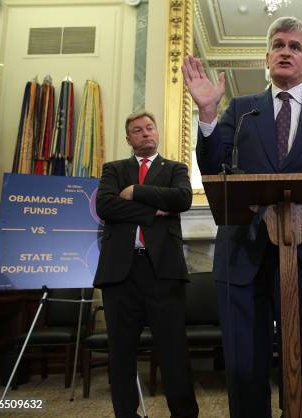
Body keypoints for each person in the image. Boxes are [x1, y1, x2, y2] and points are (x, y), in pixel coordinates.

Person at [182, 16, 302, 418]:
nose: (285, 51)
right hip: (245, 255)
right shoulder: (240, 111)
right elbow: (214, 169)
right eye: (278, 45)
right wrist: (208, 114)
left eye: (295, 46)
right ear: (267, 57)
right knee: (244, 361)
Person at [93, 111, 199, 418]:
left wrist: (136, 192)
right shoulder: (113, 169)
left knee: (173, 351)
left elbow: (181, 199)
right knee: (121, 352)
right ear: (129, 139)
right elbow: (105, 206)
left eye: (149, 128)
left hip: (163, 272)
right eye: (137, 130)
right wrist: (153, 213)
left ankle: (184, 414)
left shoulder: (176, 168)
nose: (145, 133)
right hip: (120, 275)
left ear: (157, 132)